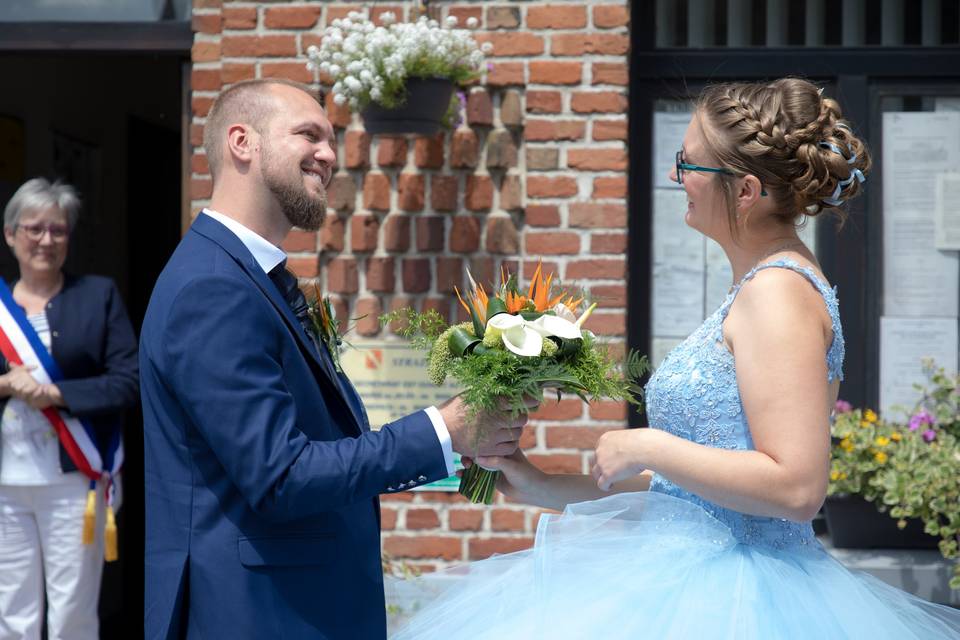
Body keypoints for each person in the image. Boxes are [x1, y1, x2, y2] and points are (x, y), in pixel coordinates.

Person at [392, 78, 960, 638]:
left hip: (741, 599)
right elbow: (694, 496)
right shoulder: (762, 286)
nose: (675, 177)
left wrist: (648, 445)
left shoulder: (777, 293)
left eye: (689, 165)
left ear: (744, 191)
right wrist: (540, 484)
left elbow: (796, 487)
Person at [140, 78, 527, 640]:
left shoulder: (253, 279)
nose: (328, 155)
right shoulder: (214, 288)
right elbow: (283, 476)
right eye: (309, 135)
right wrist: (443, 430)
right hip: (254, 614)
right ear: (241, 142)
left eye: (330, 139)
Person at [0, 178, 139, 640]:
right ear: (10, 234)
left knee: (72, 617)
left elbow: (128, 382)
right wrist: (7, 384)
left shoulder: (97, 297)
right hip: (5, 484)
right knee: (11, 614)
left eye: (57, 230)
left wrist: (54, 394)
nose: (46, 240)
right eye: (34, 228)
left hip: (74, 482)